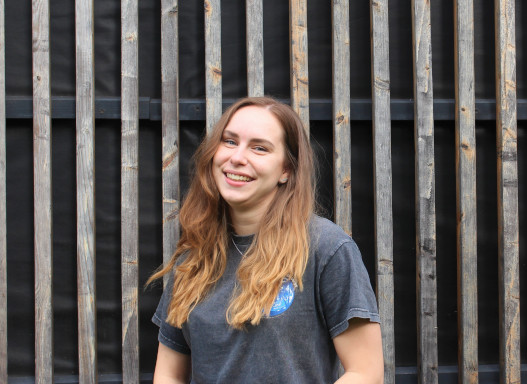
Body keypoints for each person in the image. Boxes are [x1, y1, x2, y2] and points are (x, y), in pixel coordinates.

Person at [149, 96, 384, 383]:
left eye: (259, 148)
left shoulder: (326, 248)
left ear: (286, 170)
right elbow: (168, 375)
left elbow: (365, 372)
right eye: (230, 141)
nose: (237, 157)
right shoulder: (194, 258)